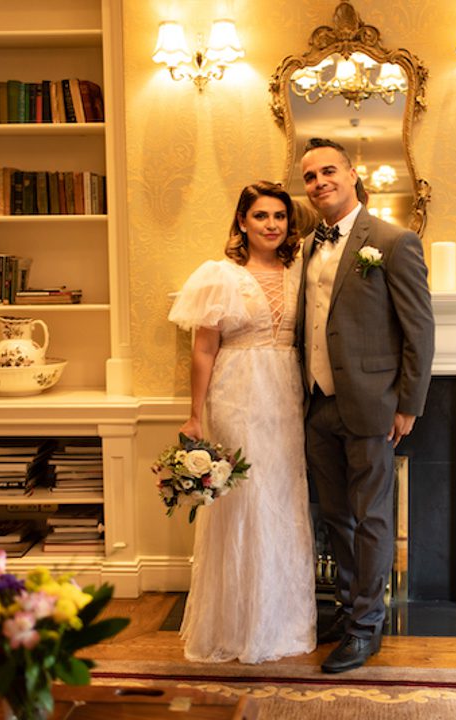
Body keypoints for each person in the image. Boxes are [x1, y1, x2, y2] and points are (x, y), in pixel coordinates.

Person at [298, 138, 435, 673]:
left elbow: (418, 329)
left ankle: (366, 627)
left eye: (328, 171)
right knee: (335, 516)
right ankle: (350, 608)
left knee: (372, 517)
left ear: (353, 173)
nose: (320, 182)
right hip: (316, 405)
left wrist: (408, 405)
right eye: (310, 177)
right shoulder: (306, 248)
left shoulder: (394, 242)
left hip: (373, 403)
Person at [168, 181, 316, 664]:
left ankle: (280, 622)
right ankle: (235, 625)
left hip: (286, 397)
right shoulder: (220, 276)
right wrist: (195, 414)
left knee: (282, 499)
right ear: (242, 221)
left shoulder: (301, 273)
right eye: (261, 216)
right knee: (243, 501)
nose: (272, 225)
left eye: (279, 216)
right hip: (236, 395)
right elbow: (204, 349)